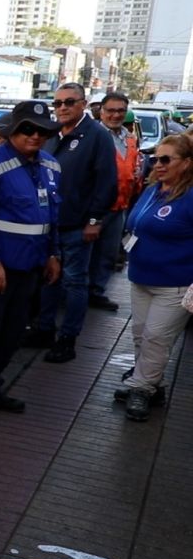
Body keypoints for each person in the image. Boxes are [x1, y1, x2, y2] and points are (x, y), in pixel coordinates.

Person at [0, 100, 63, 423]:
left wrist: (53, 254)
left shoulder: (51, 166)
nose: (35, 136)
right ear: (13, 131)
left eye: (42, 131)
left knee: (12, 334)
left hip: (29, 267)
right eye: (27, 129)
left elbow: (52, 215)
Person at [24, 82, 118, 363]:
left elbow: (107, 182)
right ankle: (44, 329)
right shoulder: (52, 133)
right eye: (57, 103)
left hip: (78, 225)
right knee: (50, 278)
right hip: (50, 224)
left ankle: (67, 339)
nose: (62, 108)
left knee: (75, 282)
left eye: (69, 102)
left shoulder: (97, 136)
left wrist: (95, 220)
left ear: (83, 104)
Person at [116, 134, 193, 421]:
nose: (158, 164)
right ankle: (152, 383)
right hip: (141, 278)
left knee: (156, 338)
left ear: (186, 163)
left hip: (175, 284)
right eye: (155, 159)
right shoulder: (152, 191)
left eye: (166, 159)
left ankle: (141, 388)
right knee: (141, 335)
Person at [88, 92, 142, 311]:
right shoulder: (92, 136)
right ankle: (76, 293)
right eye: (111, 110)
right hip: (95, 207)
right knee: (87, 253)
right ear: (101, 112)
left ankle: (96, 292)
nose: (116, 115)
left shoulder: (130, 139)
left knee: (108, 253)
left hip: (120, 206)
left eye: (121, 111)